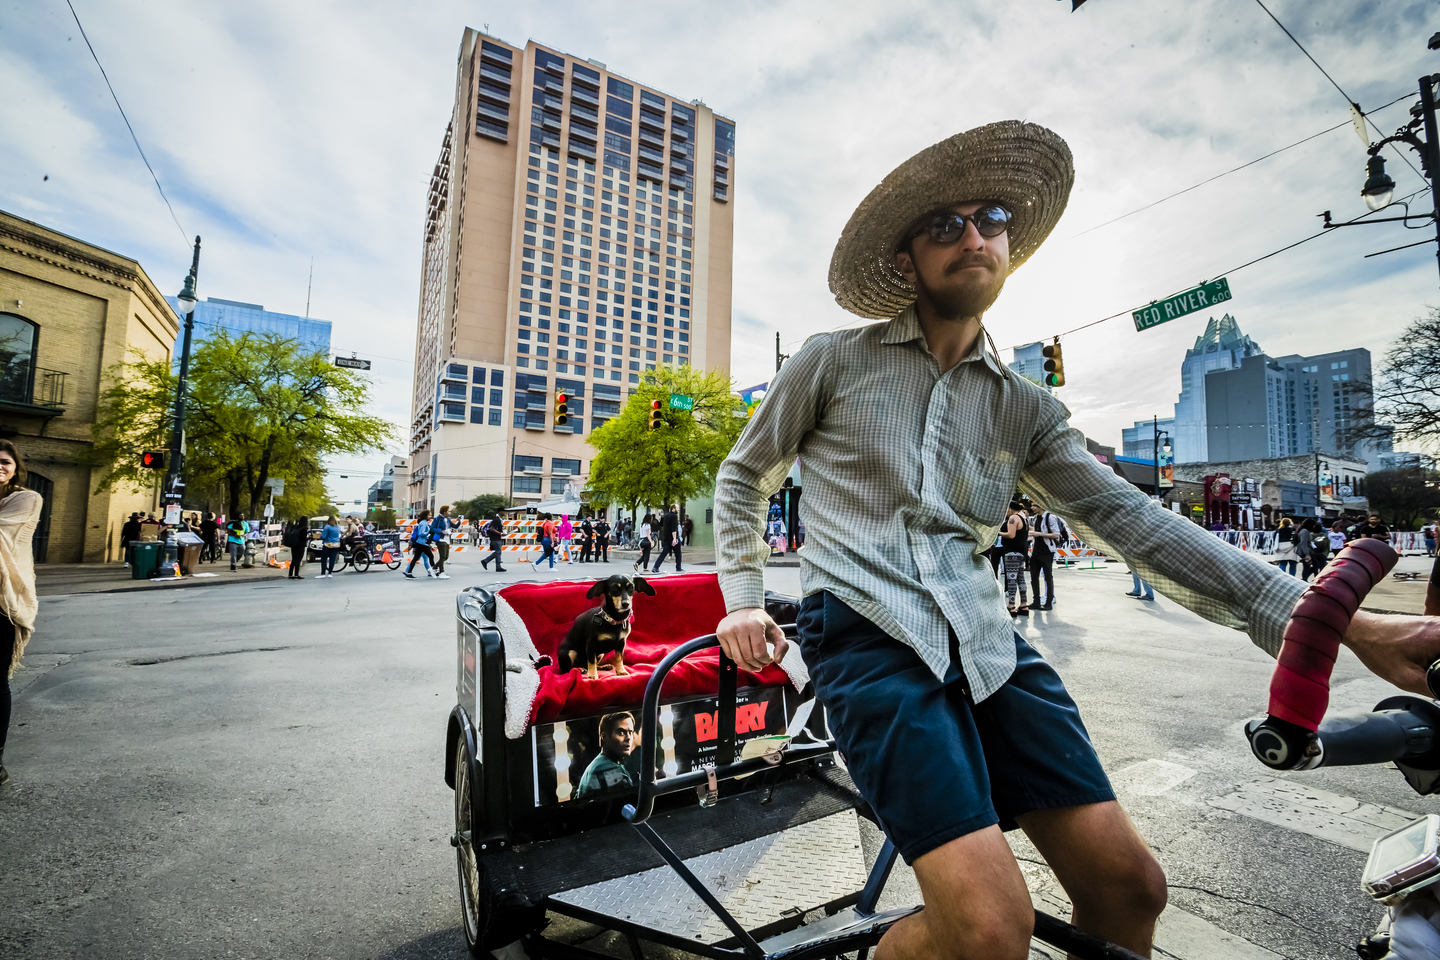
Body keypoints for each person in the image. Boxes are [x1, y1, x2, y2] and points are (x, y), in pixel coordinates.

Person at [709, 121, 1440, 959]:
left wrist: (1351, 626)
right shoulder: (830, 361)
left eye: (990, 218)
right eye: (943, 226)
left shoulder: (1028, 407)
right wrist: (741, 600)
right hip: (868, 641)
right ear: (907, 261)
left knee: (1131, 889)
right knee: (989, 929)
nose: (973, 236)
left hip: (988, 645)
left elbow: (1135, 523)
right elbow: (741, 476)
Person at [0, 440, 44, 787]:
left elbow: (4, 533)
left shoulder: (26, 498)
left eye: (5, 462)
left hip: (3, 602)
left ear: (16, 468)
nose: (0, 466)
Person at [575, 712, 637, 799]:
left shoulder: (599, 763)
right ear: (604, 737)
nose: (628, 738)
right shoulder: (609, 769)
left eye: (630, 732)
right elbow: (631, 806)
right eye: (621, 733)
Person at [1029, 507, 1065, 610]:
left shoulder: (1050, 517)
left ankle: (1049, 602)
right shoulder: (1035, 518)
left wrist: (1040, 534)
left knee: (1048, 577)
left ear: (1041, 506)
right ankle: (1036, 601)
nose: (1032, 507)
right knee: (1033, 577)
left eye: (1035, 505)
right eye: (1032, 505)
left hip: (1047, 551)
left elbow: (1056, 535)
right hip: (1035, 551)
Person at [999, 501, 1030, 616]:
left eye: (1007, 510)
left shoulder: (1013, 518)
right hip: (1022, 551)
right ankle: (1024, 605)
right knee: (1020, 578)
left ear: (1011, 508)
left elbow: (1011, 535)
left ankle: (1011, 606)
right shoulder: (1024, 519)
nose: (1006, 512)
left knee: (1011, 578)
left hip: (1012, 551)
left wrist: (999, 533)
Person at [403, 509, 435, 578]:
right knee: (430, 556)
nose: (430, 516)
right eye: (429, 515)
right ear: (425, 516)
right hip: (422, 543)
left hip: (420, 543)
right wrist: (428, 533)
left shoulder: (423, 522)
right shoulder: (424, 523)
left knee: (416, 558)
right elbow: (421, 533)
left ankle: (409, 572)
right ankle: (434, 570)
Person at [652, 505, 683, 573]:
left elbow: (662, 525)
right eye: (677, 508)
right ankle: (678, 567)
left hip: (666, 537)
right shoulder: (674, 516)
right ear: (673, 509)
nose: (678, 510)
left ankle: (655, 567)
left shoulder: (665, 516)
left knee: (664, 553)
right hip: (672, 538)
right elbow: (674, 528)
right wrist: (674, 538)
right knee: (678, 553)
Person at [431, 505, 453, 580]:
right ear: (444, 511)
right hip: (440, 539)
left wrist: (459, 522)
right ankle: (441, 572)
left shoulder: (447, 519)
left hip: (447, 539)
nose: (449, 512)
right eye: (448, 511)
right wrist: (441, 531)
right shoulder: (437, 519)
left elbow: (454, 526)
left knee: (446, 557)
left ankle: (434, 568)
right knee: (442, 556)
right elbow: (432, 528)